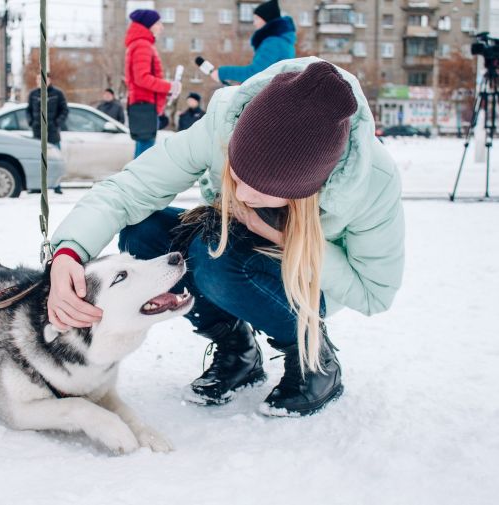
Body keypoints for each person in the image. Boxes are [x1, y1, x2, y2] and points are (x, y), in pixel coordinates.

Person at [45, 59, 405, 417]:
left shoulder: (372, 180)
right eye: (237, 172)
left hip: (302, 287)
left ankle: (313, 357)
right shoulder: (226, 121)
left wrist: (285, 238)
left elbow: (375, 293)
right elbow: (130, 190)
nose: (243, 195)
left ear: (308, 189)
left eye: (263, 190)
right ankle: (238, 351)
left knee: (215, 261)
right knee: (144, 233)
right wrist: (69, 252)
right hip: (224, 250)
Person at [125, 9, 181, 158]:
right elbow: (142, 78)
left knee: (142, 149)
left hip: (143, 105)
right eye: (158, 23)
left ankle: (135, 181)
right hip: (145, 107)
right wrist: (169, 86)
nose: (161, 27)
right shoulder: (142, 45)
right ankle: (137, 182)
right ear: (148, 25)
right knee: (144, 154)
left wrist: (167, 89)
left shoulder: (140, 44)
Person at [211, 0, 296, 85]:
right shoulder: (282, 41)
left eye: (256, 19)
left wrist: (222, 73)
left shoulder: (273, 43)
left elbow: (255, 73)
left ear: (266, 19)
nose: (254, 23)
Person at [26, 74, 69, 193]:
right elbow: (28, 110)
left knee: (54, 159)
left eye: (42, 79)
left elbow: (64, 110)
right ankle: (37, 185)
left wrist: (57, 123)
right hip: (37, 133)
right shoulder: (33, 94)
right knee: (38, 159)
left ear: (49, 80)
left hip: (52, 133)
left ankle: (57, 185)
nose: (40, 81)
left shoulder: (57, 94)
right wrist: (31, 122)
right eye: (38, 79)